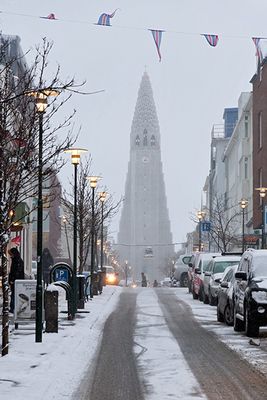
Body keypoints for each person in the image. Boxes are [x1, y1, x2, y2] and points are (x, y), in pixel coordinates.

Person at [8, 247, 24, 313]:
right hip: (16, 281)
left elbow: (16, 271)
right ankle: (14, 307)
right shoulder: (16, 260)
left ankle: (13, 308)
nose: (10, 256)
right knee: (15, 294)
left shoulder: (17, 261)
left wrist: (12, 280)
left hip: (16, 281)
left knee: (14, 294)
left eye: (11, 254)